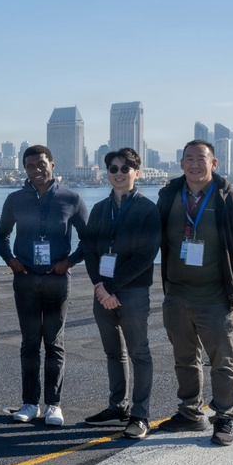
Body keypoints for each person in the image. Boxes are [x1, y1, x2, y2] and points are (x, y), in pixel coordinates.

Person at [155, 140, 233, 446]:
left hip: (216, 298)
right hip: (176, 295)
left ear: (214, 164)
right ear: (181, 164)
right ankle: (190, 413)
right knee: (184, 358)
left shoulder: (231, 200)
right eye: (188, 158)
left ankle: (225, 417)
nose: (194, 164)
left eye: (201, 159)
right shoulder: (169, 195)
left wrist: (231, 270)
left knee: (222, 360)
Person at [0, 145, 88, 426]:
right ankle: (29, 403)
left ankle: (53, 404)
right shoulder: (15, 199)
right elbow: (1, 235)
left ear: (52, 164)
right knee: (29, 343)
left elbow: (90, 239)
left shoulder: (71, 199)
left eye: (41, 164)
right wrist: (10, 260)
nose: (36, 170)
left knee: (54, 343)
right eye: (30, 166)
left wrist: (70, 261)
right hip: (24, 278)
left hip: (56, 279)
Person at [82, 148, 161, 440]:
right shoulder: (101, 208)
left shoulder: (147, 209)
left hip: (133, 292)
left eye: (125, 169)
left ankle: (140, 416)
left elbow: (145, 256)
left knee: (139, 353)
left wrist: (111, 288)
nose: (118, 173)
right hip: (102, 292)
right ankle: (117, 407)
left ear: (136, 173)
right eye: (113, 169)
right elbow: (90, 250)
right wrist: (100, 288)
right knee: (113, 352)